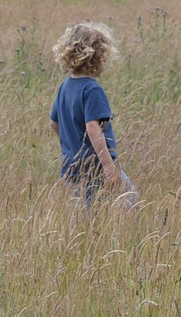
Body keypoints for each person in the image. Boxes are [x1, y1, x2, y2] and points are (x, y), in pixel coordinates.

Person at [49, 22, 137, 209]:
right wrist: (108, 167)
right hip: (94, 167)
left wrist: (72, 147)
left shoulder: (64, 87)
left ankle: (89, 236)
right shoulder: (92, 89)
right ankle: (114, 235)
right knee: (129, 199)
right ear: (98, 57)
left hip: (72, 165)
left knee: (84, 208)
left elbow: (54, 123)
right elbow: (92, 127)